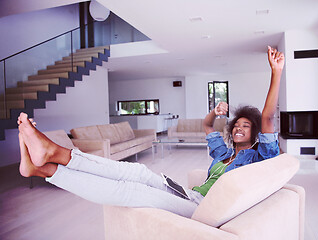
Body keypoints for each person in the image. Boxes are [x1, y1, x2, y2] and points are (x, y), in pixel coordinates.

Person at [17, 46, 284, 218]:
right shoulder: (224, 152)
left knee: (133, 192)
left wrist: (276, 73)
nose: (238, 127)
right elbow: (206, 126)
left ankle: (52, 156)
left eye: (245, 126)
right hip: (189, 194)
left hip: (204, 209)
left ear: (256, 133)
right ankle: (43, 165)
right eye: (236, 124)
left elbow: (269, 117)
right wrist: (215, 112)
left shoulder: (261, 156)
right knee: (136, 172)